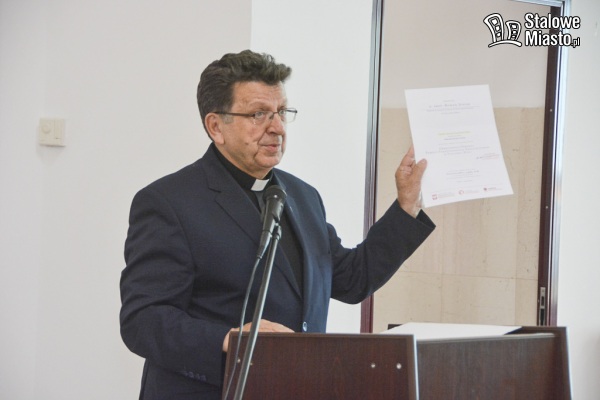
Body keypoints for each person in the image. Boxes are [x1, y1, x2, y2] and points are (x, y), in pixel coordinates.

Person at [119, 50, 435, 400]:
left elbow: (351, 280)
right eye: (258, 114)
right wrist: (229, 340)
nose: (277, 127)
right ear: (216, 126)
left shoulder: (302, 196)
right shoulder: (170, 202)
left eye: (282, 112)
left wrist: (406, 206)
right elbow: (143, 320)